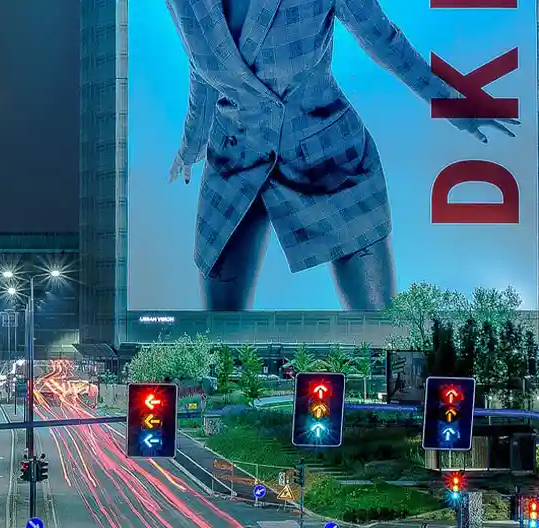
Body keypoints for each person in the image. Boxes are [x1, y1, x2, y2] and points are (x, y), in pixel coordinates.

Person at [166, 0, 517, 311]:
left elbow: (382, 39)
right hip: (235, 159)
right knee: (219, 335)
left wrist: (455, 106)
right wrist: (190, 147)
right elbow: (201, 70)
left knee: (378, 336)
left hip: (331, 161)